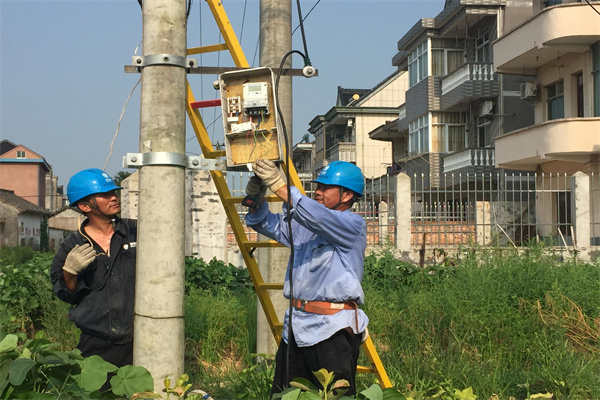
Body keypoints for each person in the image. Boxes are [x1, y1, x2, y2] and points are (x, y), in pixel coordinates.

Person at [244, 159, 368, 396]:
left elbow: (317, 215)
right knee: (286, 395)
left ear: (347, 196)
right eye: (317, 186)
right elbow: (263, 222)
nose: (318, 192)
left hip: (333, 331)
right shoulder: (307, 225)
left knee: (332, 396)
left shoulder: (352, 224)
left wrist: (277, 184)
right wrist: (256, 197)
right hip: (297, 328)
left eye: (325, 188)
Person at [50, 168, 137, 367]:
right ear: (84, 205)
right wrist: (69, 272)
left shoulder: (135, 231)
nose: (113, 198)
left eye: (113, 193)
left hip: (143, 337)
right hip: (97, 343)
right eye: (105, 195)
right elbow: (66, 294)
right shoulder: (72, 245)